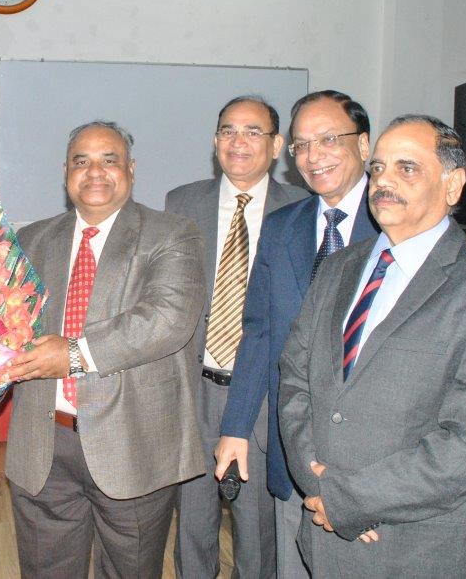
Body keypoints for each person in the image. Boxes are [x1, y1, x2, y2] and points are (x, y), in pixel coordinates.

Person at [216, 91, 466, 577]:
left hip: (414, 529)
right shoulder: (332, 262)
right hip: (310, 490)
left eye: (407, 168)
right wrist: (312, 477)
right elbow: (284, 360)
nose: (385, 180)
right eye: (381, 168)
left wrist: (351, 497)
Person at [5, 121, 207, 578]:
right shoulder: (31, 239)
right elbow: (4, 322)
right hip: (43, 443)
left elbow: (166, 320)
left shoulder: (172, 233)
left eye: (108, 160)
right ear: (65, 172)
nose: (94, 171)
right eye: (81, 161)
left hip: (133, 444)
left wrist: (73, 354)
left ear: (131, 169)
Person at [165, 95, 307, 579]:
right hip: (195, 390)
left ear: (277, 145)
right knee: (192, 526)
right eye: (228, 130)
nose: (238, 141)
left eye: (253, 131)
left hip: (265, 394)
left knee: (259, 533)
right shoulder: (181, 203)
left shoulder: (304, 209)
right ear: (215, 141)